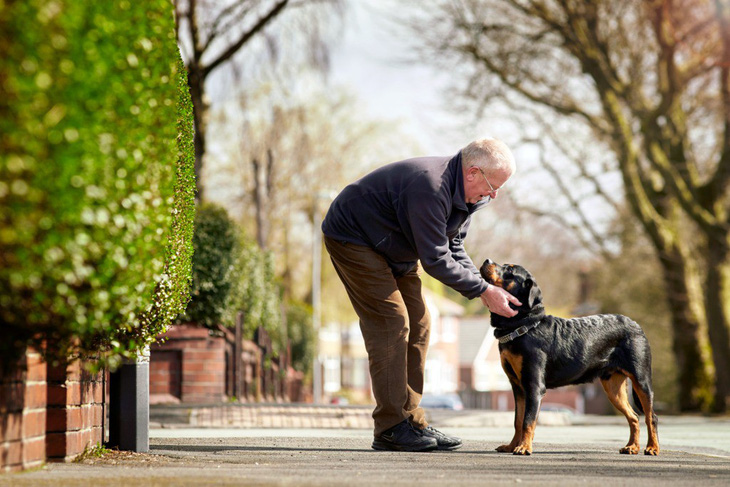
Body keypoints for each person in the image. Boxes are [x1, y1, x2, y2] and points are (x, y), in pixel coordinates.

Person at [321, 138, 521, 452]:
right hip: (354, 238)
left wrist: (486, 287)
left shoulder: (469, 197)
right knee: (392, 320)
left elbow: (453, 248)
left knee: (422, 321)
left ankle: (411, 420)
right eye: (492, 186)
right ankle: (390, 427)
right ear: (472, 173)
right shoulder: (430, 186)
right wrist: (483, 291)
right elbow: (436, 260)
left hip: (396, 246)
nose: (493, 195)